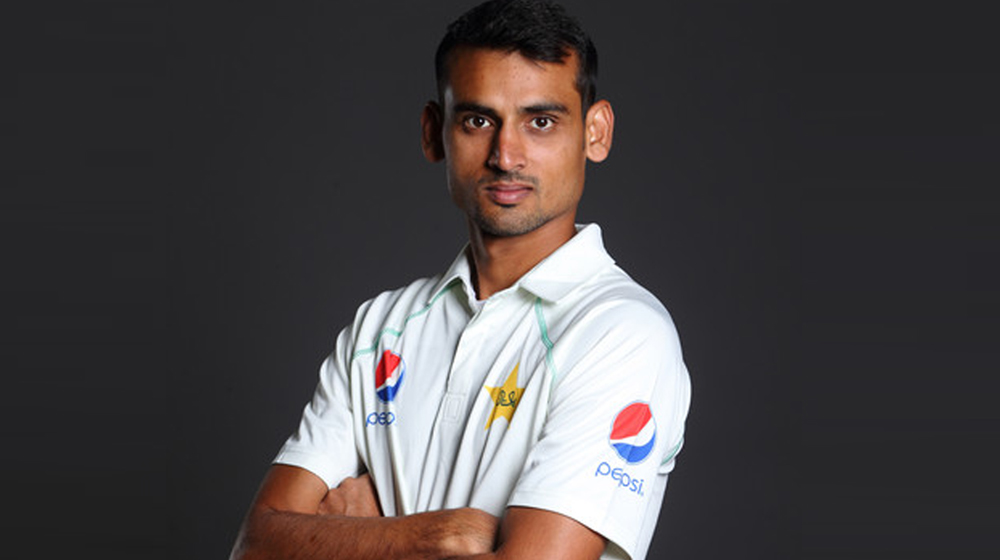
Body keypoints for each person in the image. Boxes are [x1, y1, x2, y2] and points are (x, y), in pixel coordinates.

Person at [229, 1, 691, 559]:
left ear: (596, 132)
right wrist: (444, 534)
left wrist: (351, 540)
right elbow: (256, 544)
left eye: (540, 122)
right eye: (478, 120)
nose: (506, 156)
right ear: (434, 132)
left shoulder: (621, 333)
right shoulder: (380, 327)